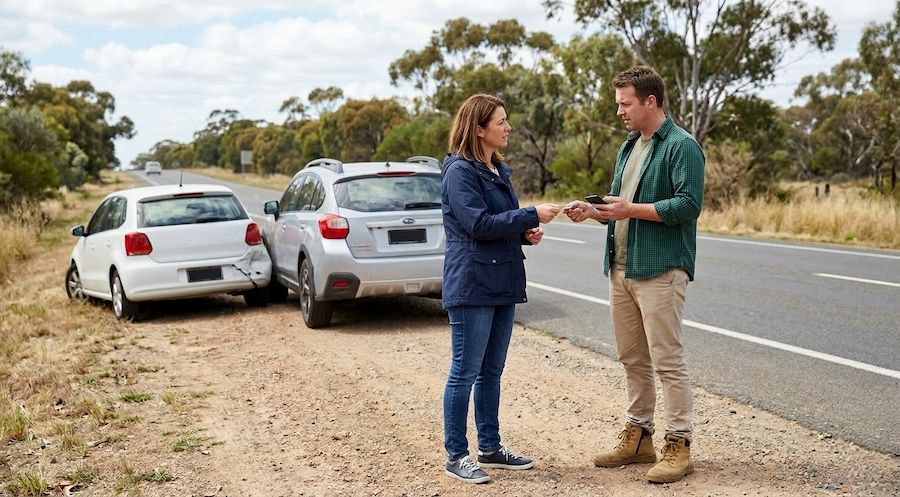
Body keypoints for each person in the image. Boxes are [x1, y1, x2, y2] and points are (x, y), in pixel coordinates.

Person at [564, 65, 705, 484]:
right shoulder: (629, 146)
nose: (621, 111)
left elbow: (688, 205)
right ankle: (640, 437)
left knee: (667, 360)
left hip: (660, 269)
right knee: (632, 358)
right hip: (621, 267)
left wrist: (630, 209)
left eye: (626, 104)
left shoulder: (682, 146)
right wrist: (595, 211)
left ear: (650, 101)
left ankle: (678, 443)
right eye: (618, 104)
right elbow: (620, 208)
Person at [440, 93, 560, 484]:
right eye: (501, 122)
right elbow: (477, 224)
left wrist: (526, 233)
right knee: (465, 371)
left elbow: (498, 223)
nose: (508, 127)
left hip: (503, 281)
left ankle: (489, 447)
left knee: (491, 372)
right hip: (473, 284)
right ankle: (457, 455)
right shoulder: (459, 171)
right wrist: (529, 213)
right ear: (479, 129)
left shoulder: (496, 170)